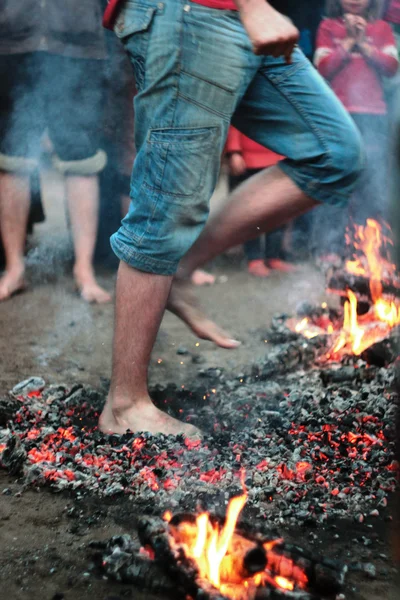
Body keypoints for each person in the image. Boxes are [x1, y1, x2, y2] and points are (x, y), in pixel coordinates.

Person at [99, 0, 363, 437]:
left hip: (238, 19)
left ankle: (178, 269)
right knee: (168, 203)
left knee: (334, 154)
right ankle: (125, 404)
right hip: (189, 13)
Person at [0, 1, 111, 303]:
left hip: (79, 44)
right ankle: (15, 268)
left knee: (82, 160)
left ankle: (84, 270)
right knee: (12, 160)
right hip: (12, 42)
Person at [314, 0, 398, 253]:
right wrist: (349, 42)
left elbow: (392, 68)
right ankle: (330, 248)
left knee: (370, 182)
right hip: (338, 115)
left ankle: (367, 249)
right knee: (337, 182)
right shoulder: (328, 27)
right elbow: (322, 68)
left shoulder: (381, 28)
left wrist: (363, 43)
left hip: (374, 115)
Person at [226, 126, 296, 276]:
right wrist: (234, 151)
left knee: (278, 210)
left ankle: (273, 256)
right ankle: (255, 259)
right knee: (251, 212)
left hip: (277, 157)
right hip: (248, 160)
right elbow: (236, 117)